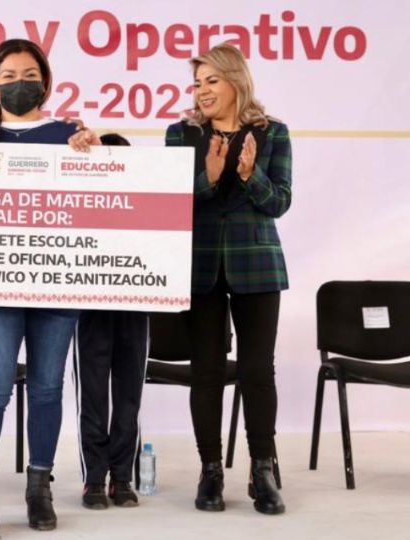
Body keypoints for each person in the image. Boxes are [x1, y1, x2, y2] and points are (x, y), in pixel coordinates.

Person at [0, 39, 100, 538]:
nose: (21, 83)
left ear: (46, 80)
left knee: (45, 389)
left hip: (57, 285)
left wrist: (94, 156)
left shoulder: (71, 134)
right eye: (10, 75)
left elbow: (102, 202)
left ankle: (39, 488)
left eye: (30, 74)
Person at [165, 42, 291, 515]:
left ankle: (263, 470)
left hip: (257, 265)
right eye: (197, 83)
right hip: (199, 268)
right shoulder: (181, 134)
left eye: (211, 81)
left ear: (236, 80)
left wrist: (248, 174)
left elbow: (279, 202)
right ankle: (211, 471)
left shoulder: (273, 133)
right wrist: (210, 178)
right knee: (207, 372)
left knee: (258, 370)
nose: (202, 91)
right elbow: (173, 203)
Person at [73, 133, 149, 511]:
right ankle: (95, 478)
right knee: (92, 394)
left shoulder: (147, 203)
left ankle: (123, 477)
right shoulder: (80, 202)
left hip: (136, 304)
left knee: (129, 394)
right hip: (90, 306)